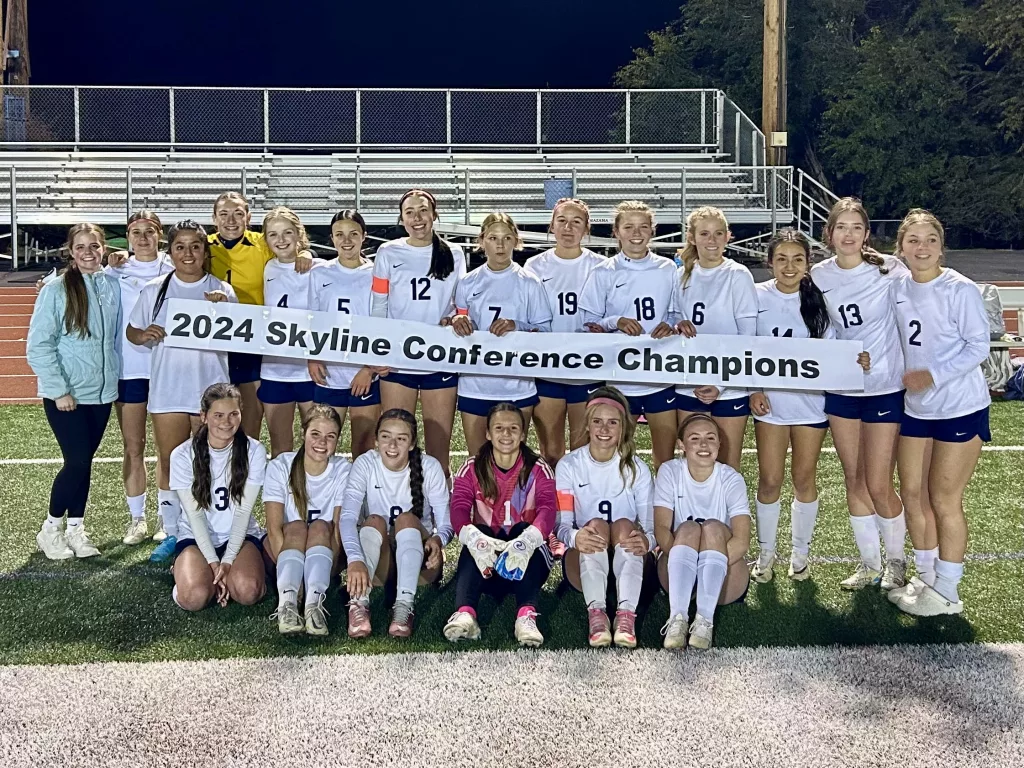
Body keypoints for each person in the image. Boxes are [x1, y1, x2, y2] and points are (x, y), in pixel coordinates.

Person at [748, 229, 869, 583]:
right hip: (770, 402)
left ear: (808, 263)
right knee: (770, 480)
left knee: (804, 478)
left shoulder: (819, 300)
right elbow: (743, 347)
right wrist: (754, 388)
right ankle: (766, 552)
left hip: (811, 404)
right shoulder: (754, 296)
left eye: (797, 259)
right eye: (781, 259)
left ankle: (800, 554)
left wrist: (854, 360)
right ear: (769, 262)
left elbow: (836, 350)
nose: (789, 266)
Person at [888, 210, 990, 616]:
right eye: (913, 240)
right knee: (912, 493)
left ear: (941, 246)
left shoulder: (960, 289)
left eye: (930, 239)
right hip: (916, 408)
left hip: (959, 406)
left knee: (944, 498)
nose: (922, 247)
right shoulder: (897, 286)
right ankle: (926, 576)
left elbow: (978, 346)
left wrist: (933, 375)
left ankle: (948, 591)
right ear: (901, 248)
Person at [811, 198, 910, 591]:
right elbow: (821, 326)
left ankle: (897, 562)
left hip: (884, 385)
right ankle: (869, 563)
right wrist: (841, 355)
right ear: (829, 233)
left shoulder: (890, 269)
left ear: (866, 234)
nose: (848, 234)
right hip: (842, 386)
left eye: (856, 227)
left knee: (879, 482)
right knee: (854, 477)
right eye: (841, 227)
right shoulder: (818, 274)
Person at [126, 220, 237, 563]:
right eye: (180, 247)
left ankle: (217, 527)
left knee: (213, 462)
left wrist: (225, 310)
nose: (188, 254)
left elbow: (239, 336)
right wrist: (144, 336)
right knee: (170, 461)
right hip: (169, 388)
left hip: (211, 391)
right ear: (170, 251)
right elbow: (132, 331)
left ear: (205, 251)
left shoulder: (222, 290)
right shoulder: (155, 289)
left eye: (195, 246)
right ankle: (173, 530)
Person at [28, 223, 121, 560]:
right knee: (77, 460)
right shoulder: (55, 290)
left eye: (94, 246)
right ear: (70, 251)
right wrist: (58, 389)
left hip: (101, 393)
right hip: (67, 395)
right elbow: (38, 345)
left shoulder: (112, 285)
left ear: (104, 250)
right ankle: (50, 529)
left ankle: (76, 530)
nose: (88, 253)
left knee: (84, 463)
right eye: (80, 247)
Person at [371, 190, 467, 483]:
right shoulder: (388, 252)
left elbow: (462, 305)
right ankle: (397, 510)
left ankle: (441, 518)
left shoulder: (454, 253)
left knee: (439, 453)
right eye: (410, 212)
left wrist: (457, 317)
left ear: (434, 214)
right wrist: (379, 353)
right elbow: (379, 306)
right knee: (396, 448)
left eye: (423, 211)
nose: (417, 218)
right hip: (399, 363)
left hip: (440, 360)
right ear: (401, 219)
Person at [444, 403, 557, 647]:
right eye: (499, 428)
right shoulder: (472, 467)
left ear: (523, 434)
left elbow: (549, 511)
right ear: (487, 433)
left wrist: (525, 543)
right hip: (487, 559)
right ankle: (465, 613)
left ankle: (526, 616)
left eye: (513, 428)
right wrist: (476, 539)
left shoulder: (538, 469)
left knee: (521, 530)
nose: (506, 434)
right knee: (479, 533)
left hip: (528, 561)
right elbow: (459, 509)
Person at [578, 201, 679, 469]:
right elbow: (587, 322)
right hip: (618, 379)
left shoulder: (668, 269)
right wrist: (616, 321)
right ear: (616, 232)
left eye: (643, 227)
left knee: (665, 459)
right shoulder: (603, 271)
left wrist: (669, 325)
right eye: (629, 227)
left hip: (660, 374)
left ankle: (660, 511)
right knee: (616, 458)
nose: (636, 233)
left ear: (652, 231)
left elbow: (676, 313)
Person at [208, 192, 314, 439]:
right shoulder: (203, 244)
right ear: (214, 219)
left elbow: (290, 251)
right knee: (213, 418)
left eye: (238, 213)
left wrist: (306, 254)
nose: (231, 220)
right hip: (212, 341)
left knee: (250, 419)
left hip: (253, 341)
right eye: (223, 214)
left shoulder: (262, 244)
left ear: (248, 216)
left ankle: (246, 471)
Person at [339, 408, 452, 638]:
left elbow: (447, 525)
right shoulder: (365, 464)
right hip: (377, 568)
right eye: (385, 437)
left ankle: (404, 607)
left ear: (412, 444)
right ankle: (358, 605)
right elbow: (348, 518)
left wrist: (437, 541)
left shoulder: (429, 467)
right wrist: (355, 559)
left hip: (421, 567)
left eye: (401, 439)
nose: (392, 445)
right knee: (374, 521)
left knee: (406, 519)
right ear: (376, 440)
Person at [555, 387, 654, 649]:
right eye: (597, 421)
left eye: (613, 422)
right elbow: (561, 526)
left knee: (624, 525)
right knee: (596, 525)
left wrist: (648, 541)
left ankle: (625, 616)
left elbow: (651, 529)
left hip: (629, 558)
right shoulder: (568, 465)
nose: (604, 429)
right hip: (585, 559)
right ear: (587, 424)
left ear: (624, 427)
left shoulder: (637, 469)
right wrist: (576, 536)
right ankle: (596, 614)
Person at [452, 212, 552, 456]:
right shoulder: (467, 282)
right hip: (475, 383)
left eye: (507, 238)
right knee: (478, 460)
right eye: (493, 238)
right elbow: (460, 323)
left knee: (514, 460)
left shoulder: (530, 282)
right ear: (482, 240)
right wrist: (457, 321)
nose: (500, 244)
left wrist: (516, 325)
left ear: (516, 241)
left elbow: (546, 333)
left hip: (517, 385)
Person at [105, 211, 173, 545]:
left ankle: (166, 516)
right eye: (135, 232)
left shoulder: (175, 266)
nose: (142, 238)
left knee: (167, 450)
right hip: (129, 369)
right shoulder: (116, 270)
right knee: (133, 446)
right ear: (127, 237)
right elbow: (83, 283)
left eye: (149, 231)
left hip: (166, 370)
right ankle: (136, 519)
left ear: (159, 234)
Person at [672, 206, 758, 471]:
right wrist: (677, 324)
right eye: (705, 234)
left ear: (728, 236)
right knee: (693, 466)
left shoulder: (738, 275)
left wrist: (719, 384)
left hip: (729, 386)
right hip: (690, 382)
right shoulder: (680, 276)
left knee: (728, 465)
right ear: (692, 237)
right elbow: (673, 325)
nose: (712, 240)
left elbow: (747, 337)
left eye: (718, 233)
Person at [655, 414, 752, 650]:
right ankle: (677, 618)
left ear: (719, 444)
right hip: (677, 567)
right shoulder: (669, 471)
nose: (703, 445)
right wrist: (687, 563)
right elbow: (661, 530)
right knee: (688, 529)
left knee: (712, 528)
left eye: (710, 438)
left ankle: (704, 621)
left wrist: (707, 568)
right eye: (694, 438)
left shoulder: (731, 478)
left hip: (725, 569)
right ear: (681, 445)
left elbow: (742, 541)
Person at [169, 383, 267, 611]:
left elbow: (243, 512)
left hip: (240, 536)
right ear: (204, 416)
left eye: (233, 414)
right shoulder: (183, 455)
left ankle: (238, 575)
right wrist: (215, 565)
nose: (226, 422)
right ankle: (184, 572)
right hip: (196, 537)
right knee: (194, 598)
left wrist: (229, 560)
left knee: (248, 592)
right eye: (218, 415)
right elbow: (194, 515)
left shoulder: (254, 451)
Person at [524, 198, 606, 467]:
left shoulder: (602, 266)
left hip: (588, 367)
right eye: (562, 221)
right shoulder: (534, 266)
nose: (568, 228)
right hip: (548, 367)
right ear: (551, 226)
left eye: (576, 222)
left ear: (586, 229)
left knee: (585, 452)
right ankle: (555, 509)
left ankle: (580, 507)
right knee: (552, 451)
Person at [263, 405, 350, 636]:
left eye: (330, 436)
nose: (322, 442)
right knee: (297, 527)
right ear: (303, 432)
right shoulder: (281, 466)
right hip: (282, 551)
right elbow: (273, 530)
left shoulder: (342, 469)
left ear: (337, 440)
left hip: (326, 554)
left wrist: (323, 573)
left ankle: (314, 605)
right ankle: (288, 604)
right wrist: (295, 578)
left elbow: (339, 532)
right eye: (315, 434)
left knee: (322, 526)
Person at [308, 210, 382, 460]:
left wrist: (369, 368)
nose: (346, 240)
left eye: (353, 234)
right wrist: (313, 357)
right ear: (331, 238)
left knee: (363, 448)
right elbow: (313, 319)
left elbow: (383, 324)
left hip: (364, 373)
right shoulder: (319, 273)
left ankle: (361, 500)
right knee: (322, 446)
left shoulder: (376, 274)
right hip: (329, 372)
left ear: (364, 237)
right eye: (340, 234)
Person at [259, 207, 319, 457]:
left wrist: (308, 253)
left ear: (299, 234)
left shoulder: (318, 268)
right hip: (275, 368)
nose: (281, 240)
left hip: (311, 369)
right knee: (280, 448)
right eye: (273, 234)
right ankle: (284, 495)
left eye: (287, 233)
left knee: (317, 445)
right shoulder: (266, 268)